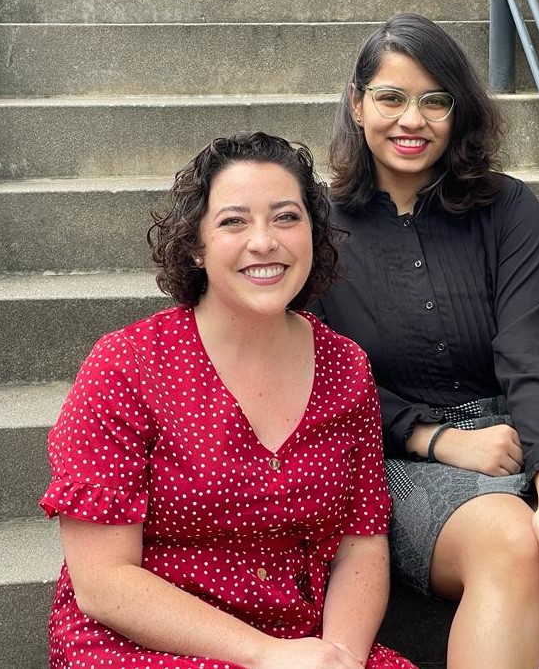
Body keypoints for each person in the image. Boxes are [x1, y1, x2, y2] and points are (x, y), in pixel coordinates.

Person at [311, 14, 539, 668]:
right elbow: (314, 373)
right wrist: (432, 437)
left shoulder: (506, 208)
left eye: (437, 101)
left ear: (459, 113)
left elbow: (535, 346)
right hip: (396, 454)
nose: (414, 120)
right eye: (392, 98)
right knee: (512, 541)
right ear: (356, 103)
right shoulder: (317, 227)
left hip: (524, 429)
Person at [39, 132, 417, 669]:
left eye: (286, 217)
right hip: (149, 644)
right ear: (195, 245)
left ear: (314, 231)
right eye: (234, 221)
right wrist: (267, 656)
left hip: (303, 644)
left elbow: (362, 542)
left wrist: (341, 658)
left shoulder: (345, 366)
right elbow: (103, 582)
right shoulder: (126, 366)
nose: (264, 241)